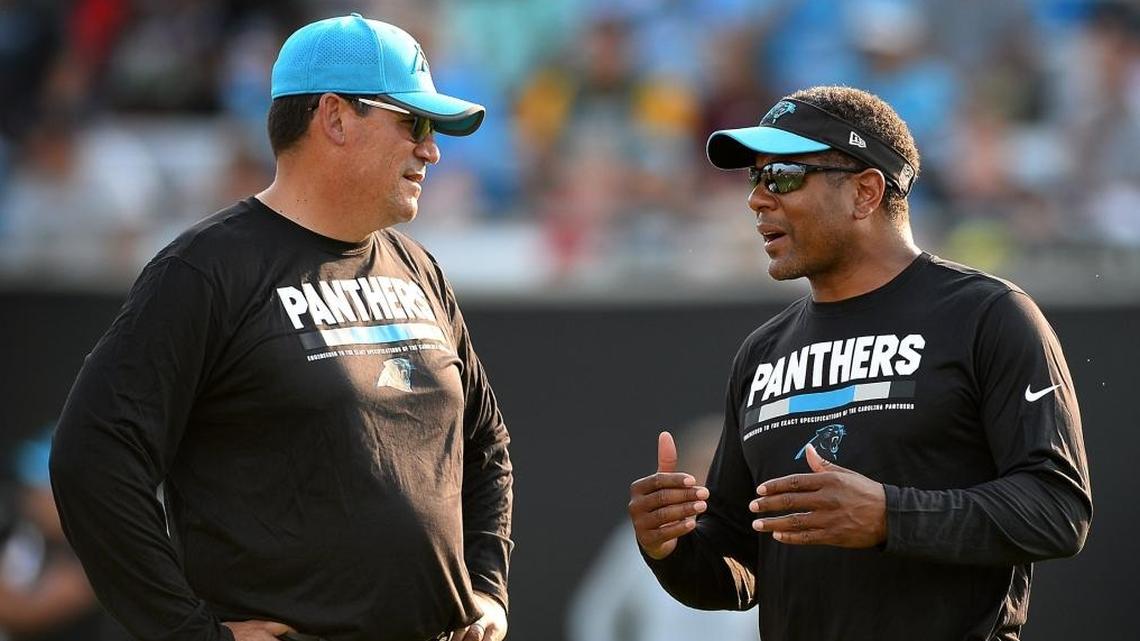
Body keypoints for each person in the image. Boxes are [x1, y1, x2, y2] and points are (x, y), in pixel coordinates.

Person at [49, 14, 512, 641]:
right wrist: (189, 633)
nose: (431, 148)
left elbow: (485, 446)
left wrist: (487, 591)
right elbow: (92, 457)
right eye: (415, 123)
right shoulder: (207, 270)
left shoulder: (418, 268)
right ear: (335, 117)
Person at [627, 85, 1091, 641]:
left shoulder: (989, 316)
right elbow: (739, 567)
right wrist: (671, 545)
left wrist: (889, 516)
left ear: (866, 193)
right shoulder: (762, 351)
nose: (756, 198)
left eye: (782, 177)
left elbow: (1057, 509)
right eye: (755, 178)